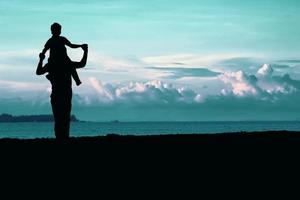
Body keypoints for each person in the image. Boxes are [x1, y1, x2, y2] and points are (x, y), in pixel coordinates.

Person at [36, 44, 88, 139]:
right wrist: (85, 51)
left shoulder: (51, 65)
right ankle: (63, 137)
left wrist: (41, 59)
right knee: (64, 118)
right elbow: (82, 64)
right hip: (65, 94)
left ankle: (60, 137)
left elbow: (38, 72)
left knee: (58, 118)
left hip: (57, 94)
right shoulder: (68, 64)